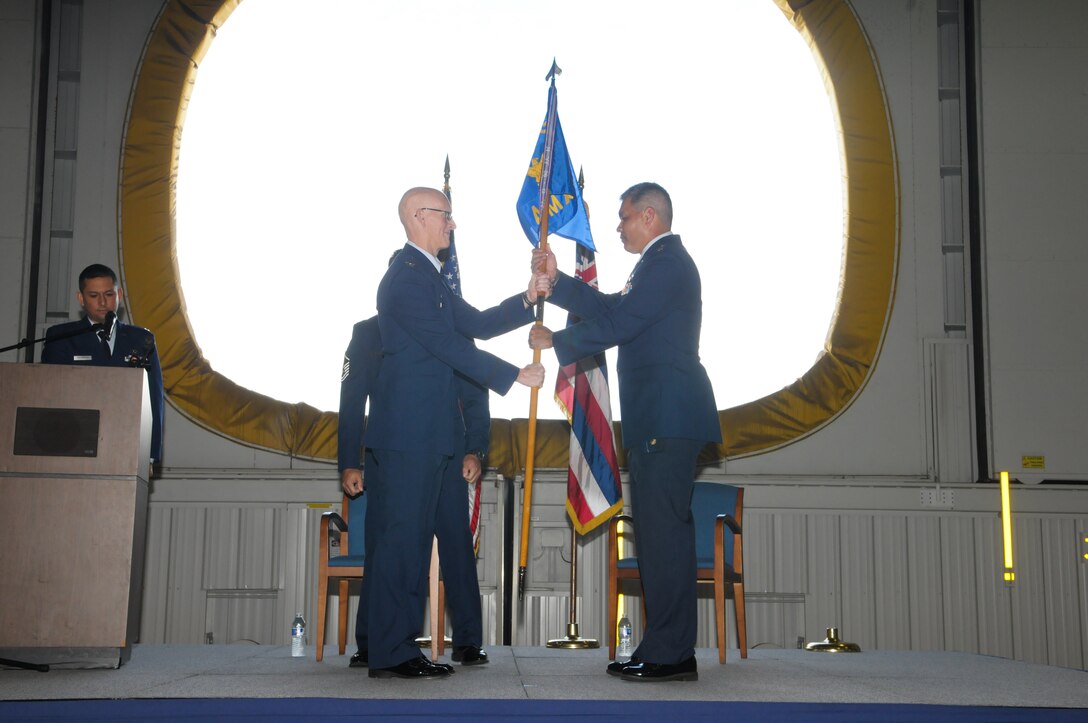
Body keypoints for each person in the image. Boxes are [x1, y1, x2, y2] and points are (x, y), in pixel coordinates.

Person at [528, 182, 720, 682]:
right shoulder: (655, 267)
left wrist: (559, 339)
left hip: (669, 416)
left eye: (625, 217)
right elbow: (614, 306)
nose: (618, 226)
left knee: (664, 538)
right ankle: (665, 647)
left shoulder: (668, 264)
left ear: (650, 216)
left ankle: (672, 655)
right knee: (658, 537)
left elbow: (623, 321)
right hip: (660, 417)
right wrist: (561, 283)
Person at [362, 186, 545, 679]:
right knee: (403, 544)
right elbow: (449, 346)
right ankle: (394, 651)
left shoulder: (431, 279)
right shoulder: (404, 279)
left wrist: (528, 298)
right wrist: (512, 376)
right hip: (408, 434)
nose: (452, 224)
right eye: (445, 215)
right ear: (419, 217)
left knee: (414, 542)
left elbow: (478, 325)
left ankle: (395, 647)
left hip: (429, 434)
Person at [338, 266, 492, 671]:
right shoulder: (367, 333)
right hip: (388, 457)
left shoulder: (451, 331)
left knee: (456, 544)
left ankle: (468, 641)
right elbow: (351, 401)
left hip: (446, 453)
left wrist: (475, 450)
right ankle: (373, 641)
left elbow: (476, 397)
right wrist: (348, 462)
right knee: (386, 545)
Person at [41, 263, 165, 466]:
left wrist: (150, 455)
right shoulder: (61, 337)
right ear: (81, 298)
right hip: (72, 443)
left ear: (120, 294)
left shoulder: (141, 339)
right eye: (93, 295)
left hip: (125, 442)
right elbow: (50, 396)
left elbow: (154, 398)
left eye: (108, 294)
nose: (102, 302)